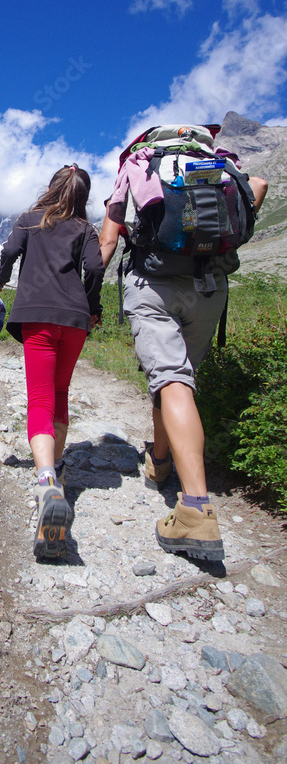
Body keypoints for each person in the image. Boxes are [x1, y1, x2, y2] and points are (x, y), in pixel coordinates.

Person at [99, 149, 267, 561]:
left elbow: (108, 236)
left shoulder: (138, 168)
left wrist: (86, 293)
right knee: (179, 379)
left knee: (171, 378)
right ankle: (160, 460)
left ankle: (195, 509)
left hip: (154, 284)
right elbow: (258, 188)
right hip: (210, 287)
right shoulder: (220, 168)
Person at [0, 165, 104, 559]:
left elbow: (7, 253)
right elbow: (96, 268)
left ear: (53, 187)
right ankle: (57, 469)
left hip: (37, 315)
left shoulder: (28, 219)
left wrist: (1, 278)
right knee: (59, 391)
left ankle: (46, 484)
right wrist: (92, 307)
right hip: (74, 320)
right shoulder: (85, 230)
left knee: (39, 399)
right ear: (83, 196)